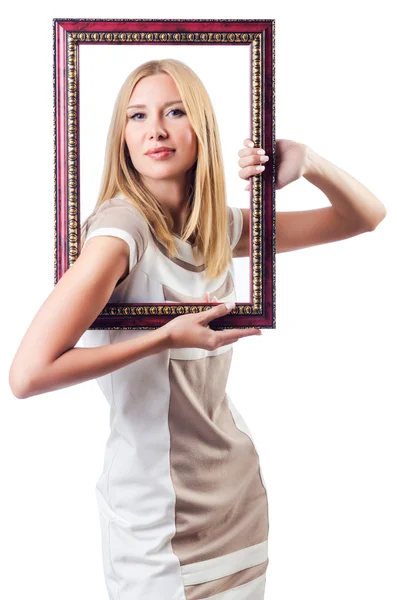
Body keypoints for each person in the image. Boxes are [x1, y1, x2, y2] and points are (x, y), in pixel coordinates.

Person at [8, 58, 386, 600]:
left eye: (174, 111)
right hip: (155, 524)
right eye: (137, 116)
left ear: (201, 129)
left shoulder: (214, 227)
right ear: (122, 138)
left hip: (234, 501)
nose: (155, 129)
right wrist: (164, 336)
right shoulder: (121, 232)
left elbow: (363, 217)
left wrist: (310, 161)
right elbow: (27, 374)